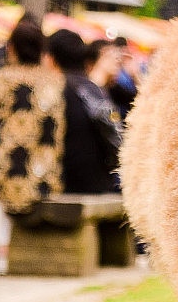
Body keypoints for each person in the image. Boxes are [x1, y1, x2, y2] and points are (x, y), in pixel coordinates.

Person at [0, 18, 65, 274]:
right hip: (42, 175)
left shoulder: (1, 80)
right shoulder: (54, 83)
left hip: (3, 171)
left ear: (12, 48)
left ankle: (2, 250)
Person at [45, 29, 122, 194]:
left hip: (69, 188)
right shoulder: (94, 89)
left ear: (51, 58)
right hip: (102, 184)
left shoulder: (56, 89)